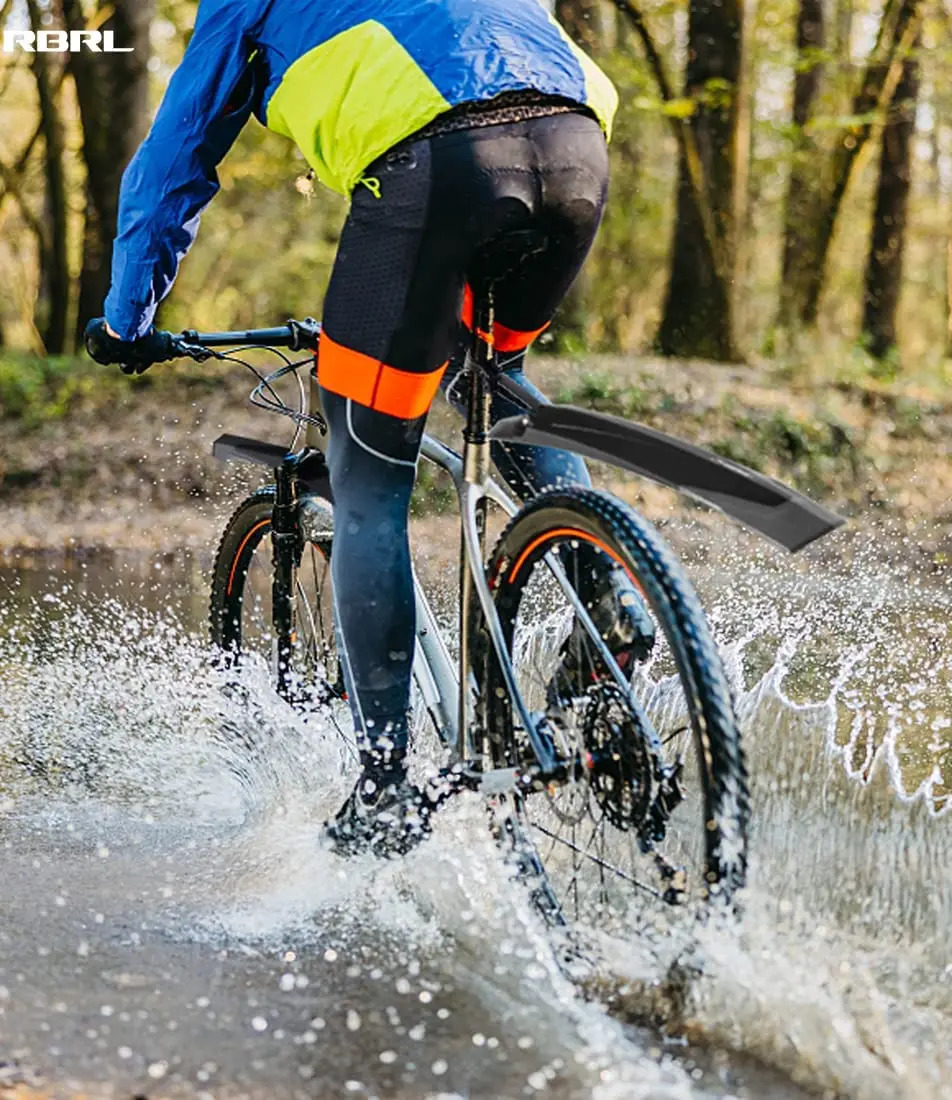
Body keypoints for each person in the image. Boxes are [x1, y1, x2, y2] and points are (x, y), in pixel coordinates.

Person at [85, 0, 655, 857]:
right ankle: (605, 600)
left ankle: (386, 784)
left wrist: (127, 321)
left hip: (441, 163)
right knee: (494, 378)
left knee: (368, 480)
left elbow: (172, 163)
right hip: (576, 152)